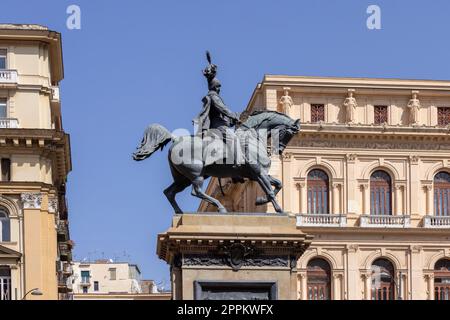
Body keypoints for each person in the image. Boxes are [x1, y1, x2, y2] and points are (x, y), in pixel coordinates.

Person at [193, 52, 243, 166]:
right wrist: (234, 116)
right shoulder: (213, 96)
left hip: (220, 123)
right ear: (215, 87)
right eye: (218, 87)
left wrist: (233, 118)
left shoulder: (214, 95)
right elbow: (223, 109)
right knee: (234, 139)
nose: (220, 89)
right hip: (218, 126)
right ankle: (238, 163)